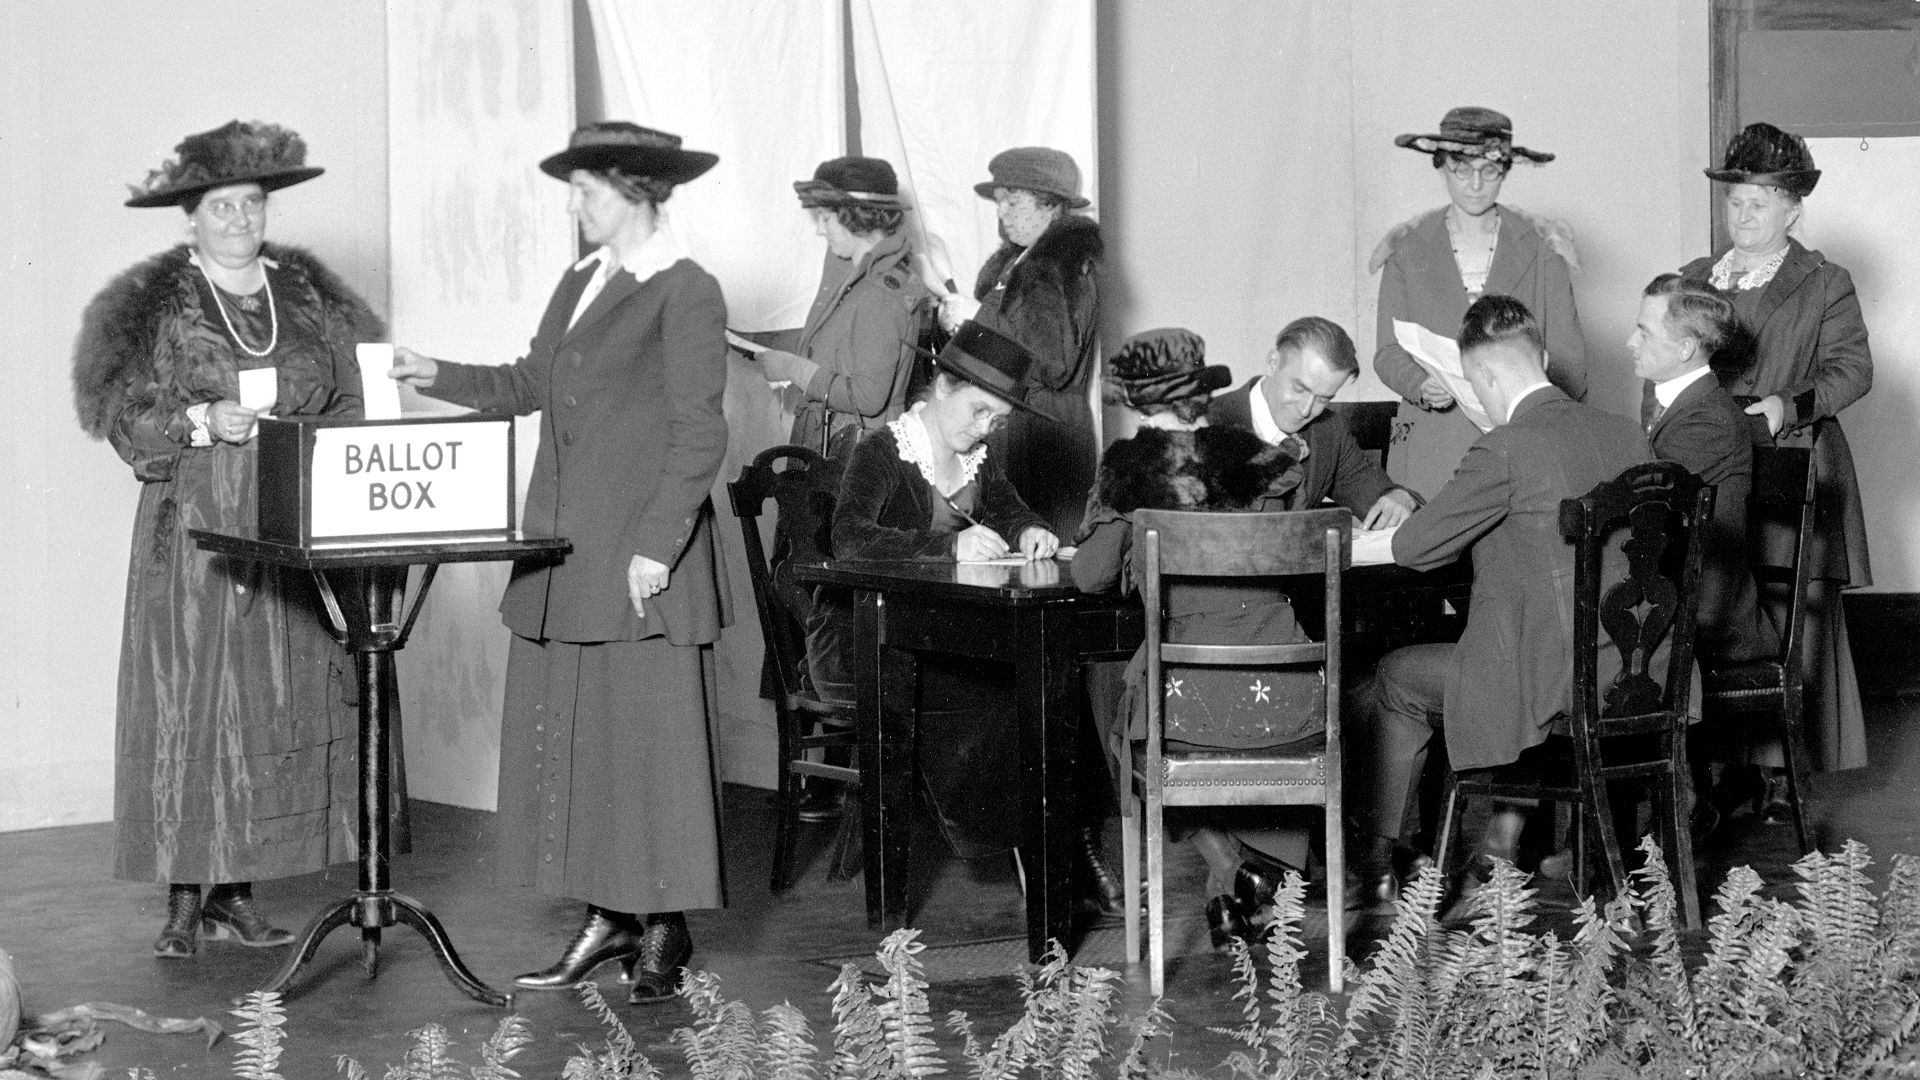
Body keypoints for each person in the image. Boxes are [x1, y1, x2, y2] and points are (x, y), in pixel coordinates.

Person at [389, 121, 730, 1005]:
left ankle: (663, 924)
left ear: (637, 192)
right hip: (567, 548)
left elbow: (700, 432)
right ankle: (610, 915)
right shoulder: (583, 280)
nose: (574, 206)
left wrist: (659, 545)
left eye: (586, 190)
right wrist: (434, 371)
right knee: (580, 740)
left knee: (647, 742)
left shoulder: (686, 290)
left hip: (640, 554)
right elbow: (529, 381)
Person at [71, 120, 381, 957]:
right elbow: (122, 415)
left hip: (289, 518)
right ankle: (182, 896)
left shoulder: (310, 299)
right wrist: (202, 420)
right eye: (221, 207)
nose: (239, 220)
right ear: (190, 217)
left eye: (251, 204)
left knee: (267, 699)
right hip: (196, 526)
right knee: (193, 700)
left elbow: (356, 401)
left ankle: (238, 892)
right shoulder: (153, 305)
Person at [1346, 295, 1650, 889]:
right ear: (1539, 356)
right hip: (1633, 667)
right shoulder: (1627, 436)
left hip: (1549, 679)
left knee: (1394, 677)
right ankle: (1497, 841)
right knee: (1502, 647)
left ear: (1479, 375)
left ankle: (1385, 867)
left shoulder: (1506, 446)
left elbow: (1414, 550)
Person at [1071, 328, 1316, 948]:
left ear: (1133, 401)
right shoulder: (1262, 459)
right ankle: (1244, 884)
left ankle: (1232, 871)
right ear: (1204, 393)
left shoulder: (1128, 470)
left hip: (1187, 694)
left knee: (1126, 718)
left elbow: (1092, 575)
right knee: (1197, 727)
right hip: (1288, 685)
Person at [819, 321, 1078, 867]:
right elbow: (848, 539)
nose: (986, 428)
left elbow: (1011, 511)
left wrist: (1032, 529)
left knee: (1042, 686)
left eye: (997, 420)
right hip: (862, 635)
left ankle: (1058, 851)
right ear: (941, 389)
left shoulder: (979, 461)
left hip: (931, 633)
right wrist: (948, 549)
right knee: (1004, 690)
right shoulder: (882, 452)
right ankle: (1039, 850)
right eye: (979, 411)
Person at [1680, 121, 1873, 784]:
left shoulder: (1824, 281)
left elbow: (1854, 371)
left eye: (1759, 203)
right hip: (1716, 464)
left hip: (1793, 458)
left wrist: (1788, 405)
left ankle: (1781, 773)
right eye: (1735, 201)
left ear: (1793, 209)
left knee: (1791, 616)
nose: (1744, 215)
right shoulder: (1695, 277)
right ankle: (1720, 773)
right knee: (1721, 600)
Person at [1372, 107, 1588, 499]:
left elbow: (1570, 361)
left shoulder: (1543, 247)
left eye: (1488, 171)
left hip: (1520, 448)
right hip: (1431, 451)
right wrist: (1420, 384)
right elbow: (1387, 352)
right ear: (1441, 167)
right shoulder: (1407, 248)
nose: (1475, 184)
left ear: (1505, 170)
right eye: (1461, 169)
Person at [948, 147, 1103, 538]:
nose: (1001, 213)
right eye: (1000, 202)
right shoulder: (1023, 262)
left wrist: (975, 323)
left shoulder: (1058, 267)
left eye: (1012, 201)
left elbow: (1052, 365)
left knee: (1040, 565)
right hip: (1020, 430)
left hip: (1044, 444)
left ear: (1051, 205)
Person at [1628, 274, 1777, 667]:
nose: (1631, 342)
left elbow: (1638, 503)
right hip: (1674, 605)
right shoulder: (1672, 405)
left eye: (1643, 333)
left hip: (1709, 622)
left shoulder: (1709, 419)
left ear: (1685, 349)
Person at [755, 156, 932, 461]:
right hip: (831, 443)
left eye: (825, 218)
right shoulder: (855, 278)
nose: (819, 231)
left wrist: (790, 368)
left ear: (854, 217)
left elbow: (867, 397)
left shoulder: (880, 294)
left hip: (854, 457)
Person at [1208, 316, 1418, 527]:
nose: (1305, 409)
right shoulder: (1205, 422)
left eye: (1323, 398)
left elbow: (1377, 496)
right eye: (1299, 389)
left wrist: (1399, 496)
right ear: (1273, 363)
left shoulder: (1328, 431)